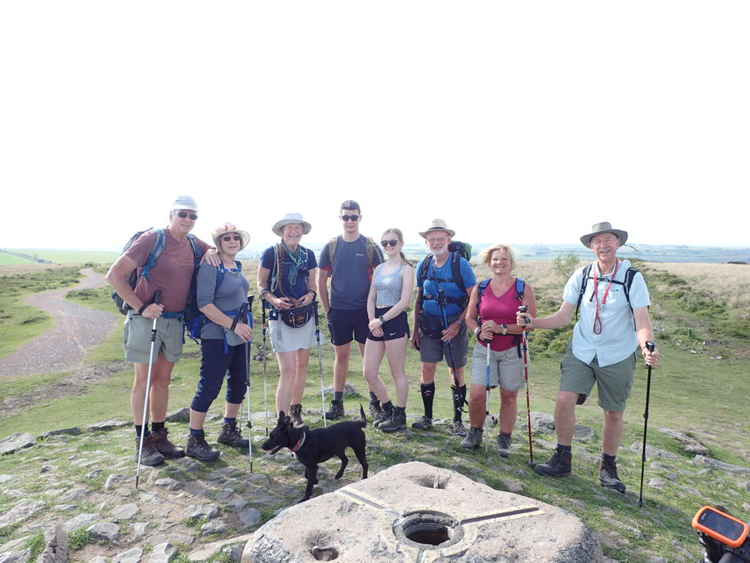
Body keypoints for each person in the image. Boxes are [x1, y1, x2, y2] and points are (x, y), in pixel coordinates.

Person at [517, 222, 660, 493]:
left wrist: (647, 347)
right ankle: (562, 458)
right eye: (597, 241)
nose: (603, 245)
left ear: (618, 243)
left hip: (617, 354)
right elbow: (563, 316)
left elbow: (642, 320)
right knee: (564, 399)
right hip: (582, 349)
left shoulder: (631, 277)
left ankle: (608, 468)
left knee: (614, 412)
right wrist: (532, 322)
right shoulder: (582, 275)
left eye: (608, 240)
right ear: (591, 246)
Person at [106, 195, 216, 466]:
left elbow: (214, 249)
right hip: (147, 319)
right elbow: (114, 276)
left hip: (175, 320)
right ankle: (142, 443)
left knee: (163, 380)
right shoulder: (152, 239)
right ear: (171, 214)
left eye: (193, 216)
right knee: (144, 380)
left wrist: (215, 249)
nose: (188, 220)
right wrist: (141, 307)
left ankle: (159, 436)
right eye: (183, 214)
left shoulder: (192, 243)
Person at [185, 223, 254, 462]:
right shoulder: (210, 265)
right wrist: (234, 325)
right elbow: (205, 304)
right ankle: (194, 439)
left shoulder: (236, 265)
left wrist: (242, 327)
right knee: (210, 385)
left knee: (239, 381)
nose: (233, 241)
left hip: (240, 333)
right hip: (216, 334)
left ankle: (229, 429)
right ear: (219, 243)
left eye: (236, 237)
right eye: (227, 238)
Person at [461, 245, 537, 454]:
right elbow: (469, 318)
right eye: (495, 259)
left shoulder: (523, 288)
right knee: (477, 394)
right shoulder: (481, 288)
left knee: (509, 395)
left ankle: (505, 437)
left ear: (511, 262)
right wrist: (477, 331)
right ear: (489, 262)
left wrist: (502, 329)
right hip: (484, 348)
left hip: (513, 350)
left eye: (504, 259)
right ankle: (475, 432)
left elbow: (530, 323)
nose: (499, 263)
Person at [318, 200, 383, 421]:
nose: (349, 221)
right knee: (341, 356)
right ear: (340, 218)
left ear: (360, 218)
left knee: (369, 360)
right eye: (345, 217)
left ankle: (376, 403)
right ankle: (337, 404)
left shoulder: (370, 246)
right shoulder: (331, 246)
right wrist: (328, 309)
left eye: (353, 217)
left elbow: (380, 279)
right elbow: (321, 281)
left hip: (366, 312)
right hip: (339, 311)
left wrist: (376, 313)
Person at [412, 219, 476, 436]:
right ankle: (427, 417)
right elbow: (419, 298)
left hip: (454, 325)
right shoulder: (424, 264)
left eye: (440, 239)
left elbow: (473, 298)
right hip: (429, 325)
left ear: (448, 239)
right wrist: (415, 331)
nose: (436, 242)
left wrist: (458, 325)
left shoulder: (461, 265)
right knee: (427, 368)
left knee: (456, 370)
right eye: (432, 239)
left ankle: (458, 421)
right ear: (427, 242)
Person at [258, 213, 318, 428]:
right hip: (280, 316)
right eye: (289, 228)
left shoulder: (309, 254)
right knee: (288, 370)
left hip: (304, 314)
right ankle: (282, 421)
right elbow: (261, 285)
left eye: (297, 227)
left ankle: (296, 411)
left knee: (302, 366)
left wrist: (310, 296)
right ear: (282, 231)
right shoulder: (270, 254)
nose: (293, 231)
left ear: (302, 230)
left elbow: (312, 284)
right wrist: (274, 300)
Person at [363, 228, 415, 433]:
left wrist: (382, 320)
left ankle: (400, 416)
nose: (388, 246)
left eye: (392, 242)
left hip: (394, 321)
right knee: (369, 372)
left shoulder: (407, 269)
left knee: (397, 372)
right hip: (376, 321)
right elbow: (371, 298)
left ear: (401, 243)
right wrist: (372, 321)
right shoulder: (379, 269)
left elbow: (404, 302)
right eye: (384, 243)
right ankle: (388, 408)